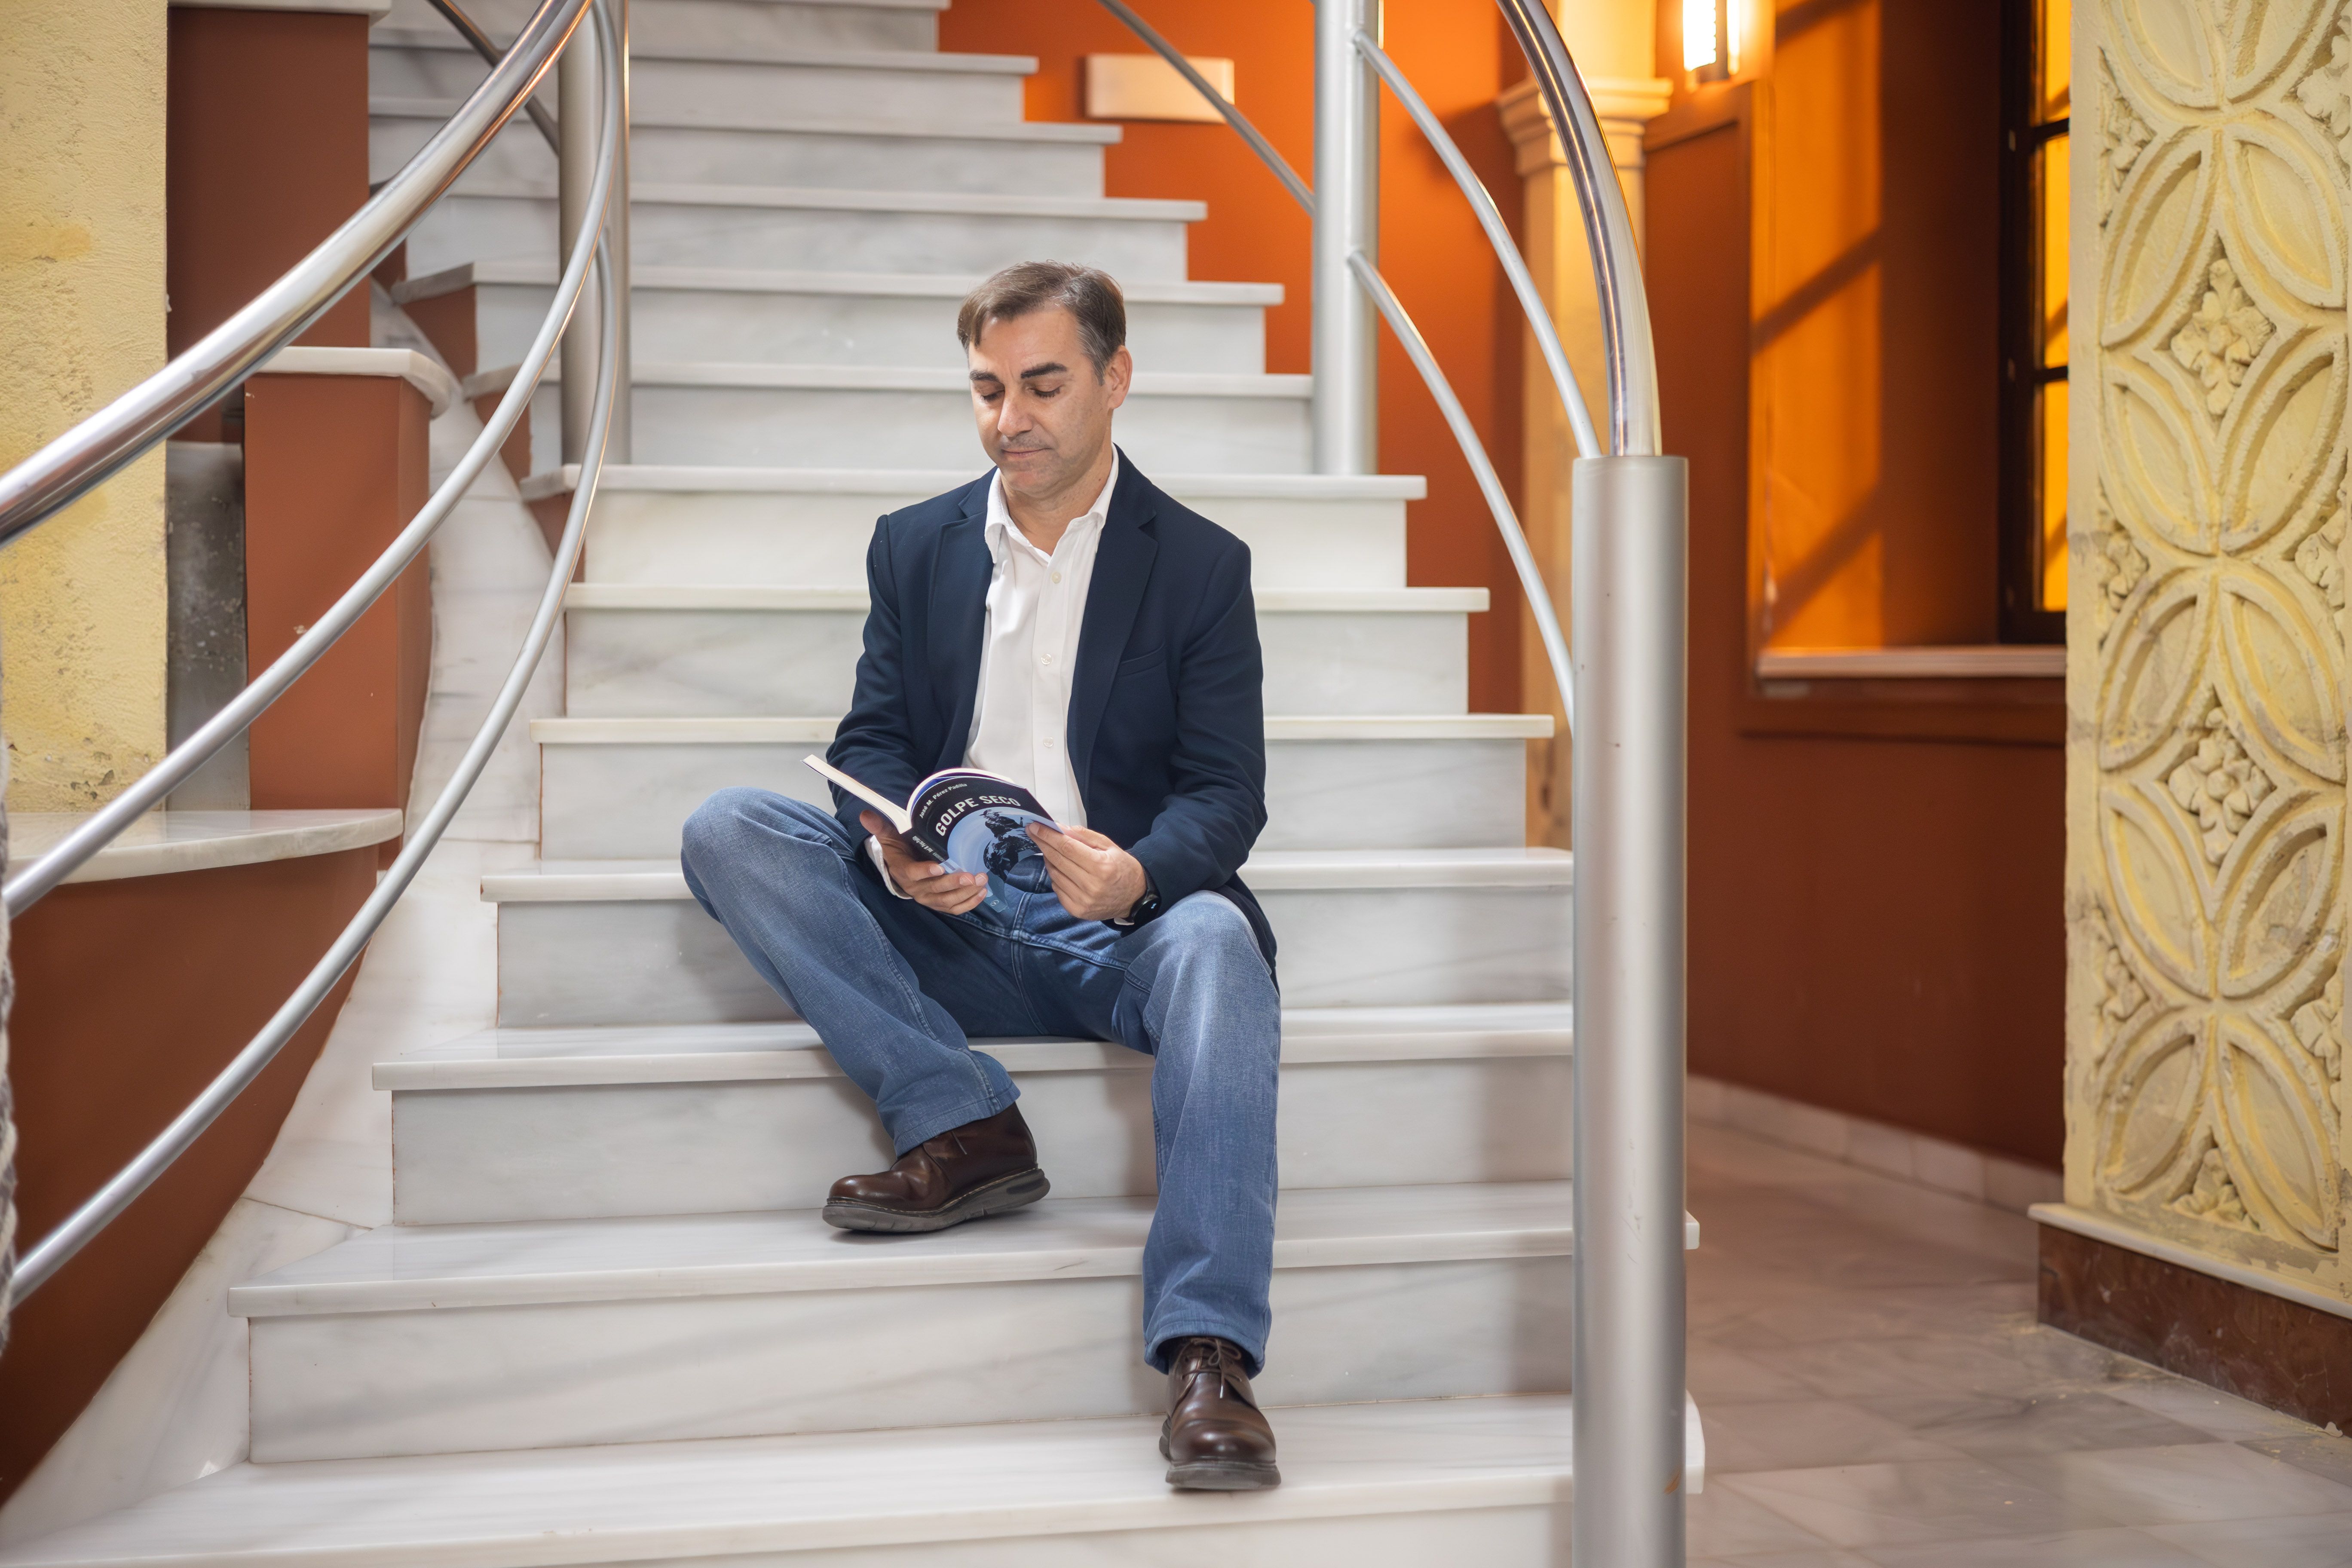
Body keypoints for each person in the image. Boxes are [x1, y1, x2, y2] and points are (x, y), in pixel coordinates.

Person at [680, 260, 1284, 1491]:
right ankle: (961, 1116)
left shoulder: (1202, 566)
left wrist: (1136, 877)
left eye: (1043, 384)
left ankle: (1210, 1352)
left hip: (1114, 923)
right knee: (729, 826)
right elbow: (873, 742)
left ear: (1115, 380)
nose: (1010, 417)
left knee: (1218, 941)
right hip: (956, 913)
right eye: (987, 388)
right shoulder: (917, 546)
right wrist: (891, 847)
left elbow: (1227, 793)